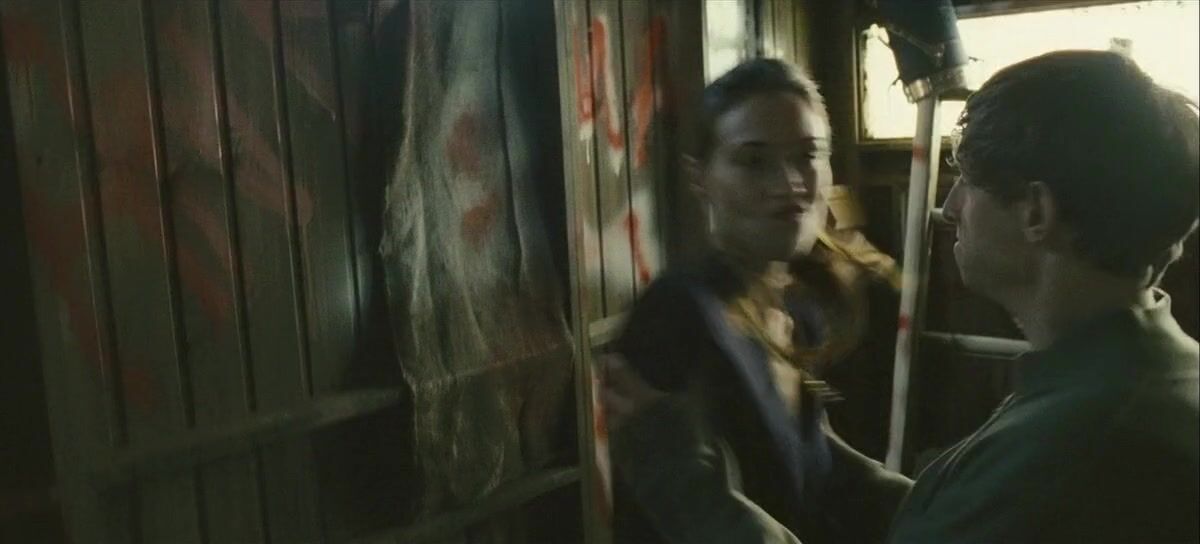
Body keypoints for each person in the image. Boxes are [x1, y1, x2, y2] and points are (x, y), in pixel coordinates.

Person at [607, 50, 1200, 543]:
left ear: (1036, 213)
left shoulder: (1074, 442)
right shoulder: (1135, 375)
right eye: (753, 160)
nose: (951, 206)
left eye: (968, 179)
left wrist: (680, 479)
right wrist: (825, 454)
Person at [607, 58, 911, 544]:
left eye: (808, 155)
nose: (790, 184)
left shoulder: (797, 306)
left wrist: (943, 502)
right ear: (700, 177)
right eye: (753, 161)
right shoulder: (677, 316)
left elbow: (818, 469)